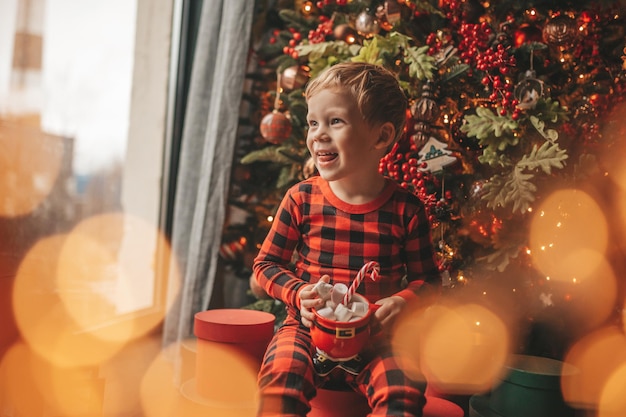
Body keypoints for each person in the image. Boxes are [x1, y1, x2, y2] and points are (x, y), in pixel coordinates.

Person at [252, 61, 441, 417]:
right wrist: (296, 293)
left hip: (374, 339)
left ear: (381, 137)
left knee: (402, 391)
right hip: (305, 331)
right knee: (280, 380)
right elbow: (266, 264)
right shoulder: (301, 198)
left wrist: (404, 301)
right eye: (312, 123)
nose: (318, 135)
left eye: (334, 121)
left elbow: (429, 280)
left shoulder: (406, 210)